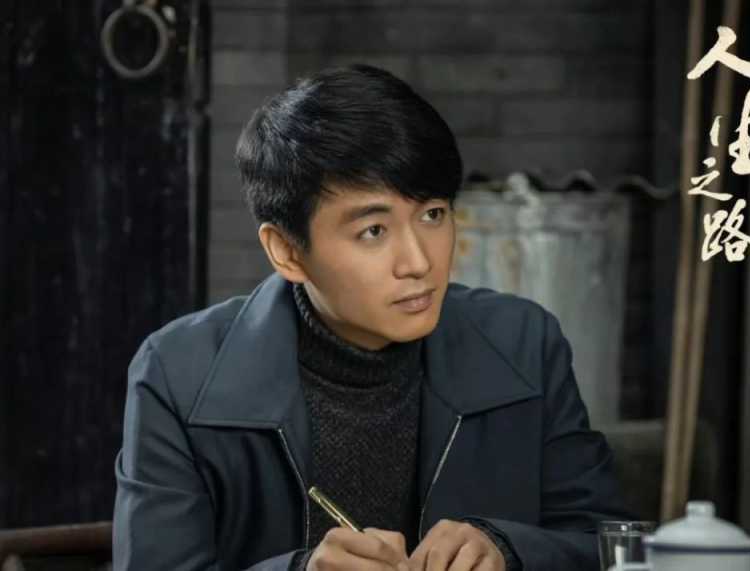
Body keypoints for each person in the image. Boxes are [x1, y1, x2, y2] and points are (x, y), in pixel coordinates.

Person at [112, 64, 633, 571]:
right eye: (374, 231)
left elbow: (609, 545)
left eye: (433, 215)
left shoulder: (524, 343)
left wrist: (510, 550)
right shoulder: (177, 373)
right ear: (287, 251)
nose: (419, 262)